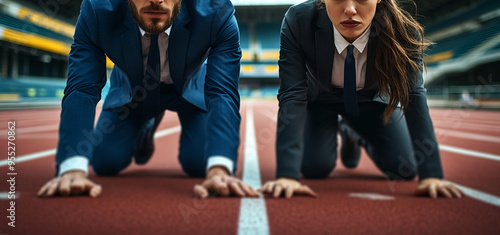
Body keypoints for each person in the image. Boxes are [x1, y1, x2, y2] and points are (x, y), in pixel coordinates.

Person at [37, 0, 259, 199]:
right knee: (105, 162)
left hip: (188, 90)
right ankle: (146, 127)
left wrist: (219, 169)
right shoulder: (98, 10)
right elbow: (82, 88)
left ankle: (160, 123)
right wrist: (72, 168)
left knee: (199, 164)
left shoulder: (216, 12)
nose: (156, 0)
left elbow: (222, 92)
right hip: (133, 91)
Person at [261, 0, 464, 199]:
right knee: (314, 168)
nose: (350, 9)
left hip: (372, 102)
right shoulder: (299, 20)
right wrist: (287, 175)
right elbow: (292, 92)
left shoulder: (402, 29)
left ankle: (352, 133)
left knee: (405, 168)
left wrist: (431, 175)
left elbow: (413, 94)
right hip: (321, 101)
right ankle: (343, 128)